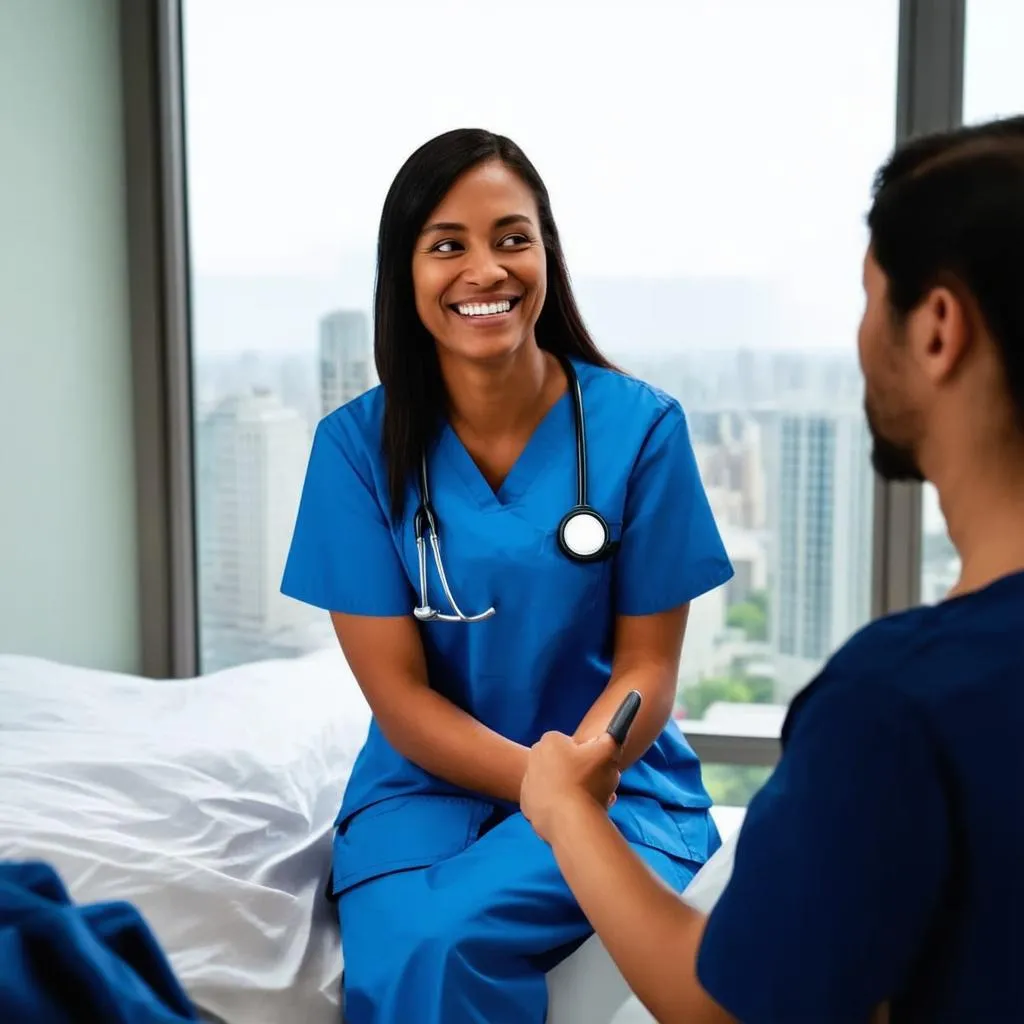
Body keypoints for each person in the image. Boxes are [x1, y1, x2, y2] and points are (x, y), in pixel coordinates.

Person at [520, 115, 1024, 1024]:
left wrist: (565, 810)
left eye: (874, 296)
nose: (864, 332)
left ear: (939, 327)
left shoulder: (901, 708)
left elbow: (721, 1006)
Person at [279, 128, 734, 1024]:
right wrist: (539, 782)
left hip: (615, 781)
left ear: (546, 258)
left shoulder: (641, 430)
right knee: (417, 942)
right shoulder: (353, 453)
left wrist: (578, 780)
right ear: (404, 276)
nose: (485, 269)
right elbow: (400, 697)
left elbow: (648, 667)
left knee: (449, 940)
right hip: (423, 788)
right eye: (447, 245)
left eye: (512, 239)